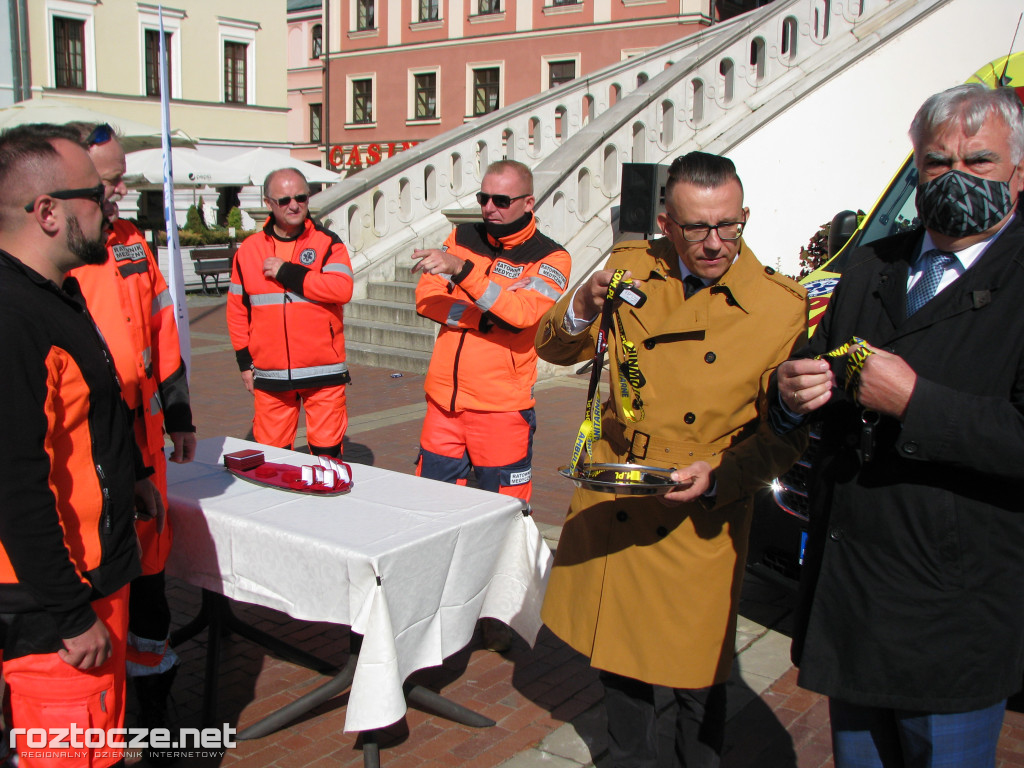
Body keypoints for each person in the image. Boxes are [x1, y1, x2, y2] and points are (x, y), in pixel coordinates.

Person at [772, 84, 1024, 767]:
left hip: (953, 614)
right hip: (852, 597)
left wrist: (917, 403)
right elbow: (806, 370)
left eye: (981, 161)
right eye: (938, 162)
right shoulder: (871, 262)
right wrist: (790, 390)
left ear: (1019, 175)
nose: (956, 178)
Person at [535, 151, 807, 767]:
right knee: (620, 669)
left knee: (696, 677)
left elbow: (787, 436)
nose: (715, 244)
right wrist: (582, 303)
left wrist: (723, 477)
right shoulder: (632, 265)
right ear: (666, 223)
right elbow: (551, 345)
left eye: (730, 226)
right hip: (620, 492)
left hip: (701, 506)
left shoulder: (778, 306)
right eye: (696, 229)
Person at [0, 123, 163, 768]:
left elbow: (94, 411)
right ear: (47, 213)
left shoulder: (58, 290)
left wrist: (136, 475)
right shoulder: (13, 316)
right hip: (50, 600)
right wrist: (68, 613)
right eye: (96, 197)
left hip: (98, 568)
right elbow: (14, 481)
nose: (112, 207)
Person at [66, 122, 195, 763]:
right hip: (92, 457)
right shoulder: (58, 252)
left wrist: (180, 415)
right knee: (97, 594)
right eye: (109, 180)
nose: (122, 188)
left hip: (145, 453)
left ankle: (151, 710)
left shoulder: (130, 241)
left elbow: (163, 328)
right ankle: (101, 723)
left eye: (120, 177)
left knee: (149, 584)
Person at [411, 160, 571, 503]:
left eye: (501, 201)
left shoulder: (552, 257)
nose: (488, 208)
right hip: (443, 403)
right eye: (483, 198)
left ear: (528, 203)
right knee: (429, 505)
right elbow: (426, 299)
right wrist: (480, 318)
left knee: (503, 511)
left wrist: (462, 271)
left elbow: (520, 316)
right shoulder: (462, 236)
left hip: (500, 409)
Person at [227, 168, 354, 457]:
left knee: (327, 460)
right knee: (273, 459)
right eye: (284, 200)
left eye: (301, 197)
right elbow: (237, 311)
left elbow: (341, 288)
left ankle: (325, 502)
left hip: (324, 373)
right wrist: (244, 363)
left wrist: (287, 272)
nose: (294, 205)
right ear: (268, 203)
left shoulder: (328, 243)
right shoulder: (248, 251)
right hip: (270, 375)